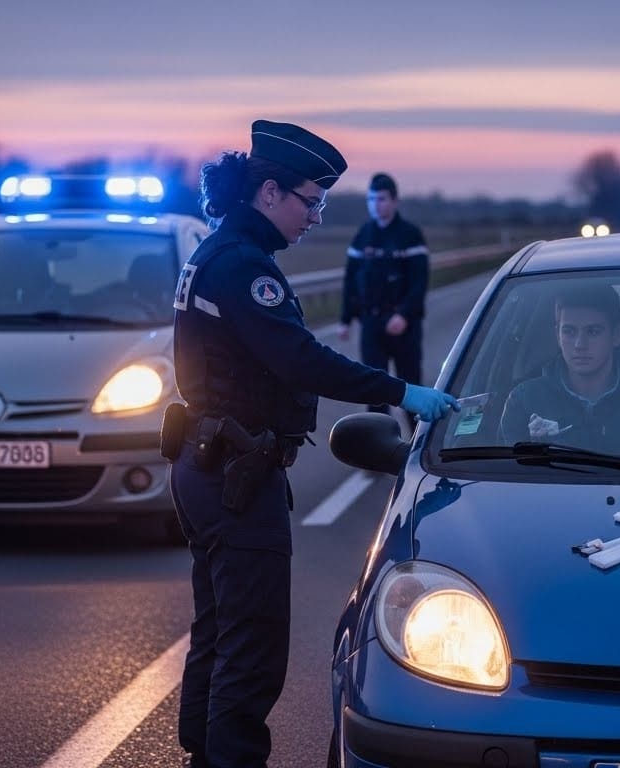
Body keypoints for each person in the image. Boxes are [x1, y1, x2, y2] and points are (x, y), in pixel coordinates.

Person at [165, 120, 456, 768]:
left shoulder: (223, 251)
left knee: (219, 633)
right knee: (252, 647)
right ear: (269, 192)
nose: (317, 215)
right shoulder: (242, 265)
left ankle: (202, 754)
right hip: (235, 473)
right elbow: (298, 358)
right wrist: (401, 391)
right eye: (310, 199)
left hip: (209, 463)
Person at [498, 284, 620, 452]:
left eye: (593, 331)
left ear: (616, 335)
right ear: (557, 335)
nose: (580, 344)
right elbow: (503, 478)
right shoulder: (525, 401)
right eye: (569, 331)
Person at [338, 172, 430, 432]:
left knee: (410, 386)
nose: (375, 205)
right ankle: (379, 446)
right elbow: (350, 280)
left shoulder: (410, 235)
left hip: (404, 325)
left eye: (381, 199)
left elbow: (419, 282)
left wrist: (404, 314)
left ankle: (418, 446)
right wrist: (346, 319)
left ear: (394, 201)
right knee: (374, 389)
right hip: (372, 324)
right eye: (371, 199)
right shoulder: (363, 235)